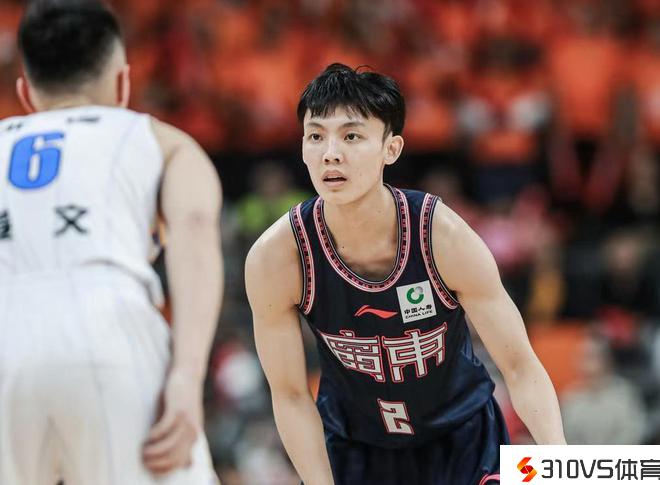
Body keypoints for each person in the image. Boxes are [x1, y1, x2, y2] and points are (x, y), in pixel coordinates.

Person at [245, 63, 566, 485]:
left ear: (391, 149)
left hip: (462, 442)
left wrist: (561, 464)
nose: (330, 153)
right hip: (356, 448)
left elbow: (520, 365)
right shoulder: (277, 257)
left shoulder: (441, 235)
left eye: (352, 136)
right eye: (316, 136)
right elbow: (289, 395)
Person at [0, 1, 223, 484]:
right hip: (109, 334)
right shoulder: (162, 141)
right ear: (123, 84)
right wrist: (187, 376)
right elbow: (195, 229)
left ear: (25, 93)